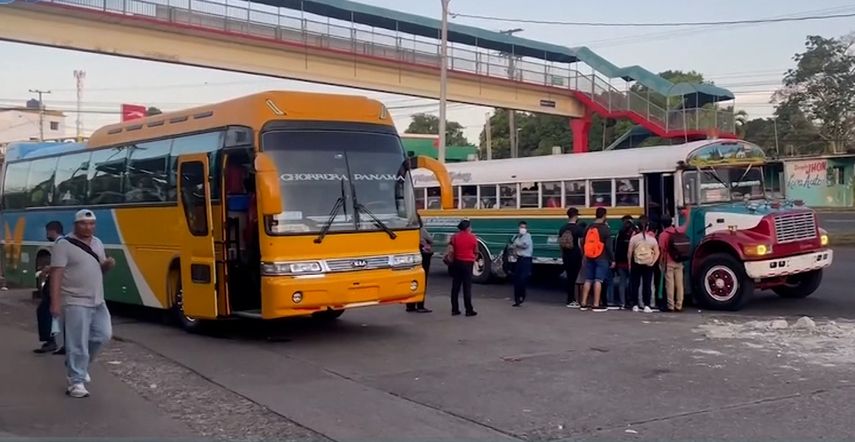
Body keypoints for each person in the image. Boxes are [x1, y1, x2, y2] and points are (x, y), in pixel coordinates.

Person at [49, 209, 116, 398]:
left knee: (103, 335)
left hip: (97, 299)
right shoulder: (63, 245)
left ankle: (79, 365)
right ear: (75, 225)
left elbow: (98, 270)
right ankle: (76, 381)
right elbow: (56, 274)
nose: (88, 227)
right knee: (77, 342)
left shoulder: (98, 243)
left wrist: (107, 266)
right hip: (74, 300)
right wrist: (55, 303)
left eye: (91, 224)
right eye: (84, 224)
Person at [34, 221, 64, 355]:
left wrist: (47, 270)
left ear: (52, 231)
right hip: (60, 282)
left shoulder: (60, 244)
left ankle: (50, 340)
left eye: (48, 232)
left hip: (55, 282)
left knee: (44, 310)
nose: (47, 234)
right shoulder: (65, 243)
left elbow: (59, 265)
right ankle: (62, 342)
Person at [580, 208, 613, 312]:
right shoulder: (605, 229)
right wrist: (612, 259)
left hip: (589, 256)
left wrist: (585, 253)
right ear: (604, 216)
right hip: (602, 257)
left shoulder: (589, 227)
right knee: (598, 280)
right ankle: (596, 304)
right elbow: (609, 247)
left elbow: (583, 242)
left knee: (588, 279)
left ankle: (583, 303)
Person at [659, 211, 690, 312]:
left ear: (662, 224)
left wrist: (661, 263)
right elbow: (686, 225)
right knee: (679, 284)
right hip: (679, 261)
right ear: (671, 222)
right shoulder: (678, 230)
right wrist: (687, 214)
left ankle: (670, 305)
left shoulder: (663, 235)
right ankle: (679, 304)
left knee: (670, 285)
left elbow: (662, 250)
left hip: (669, 262)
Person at [628, 218, 660, 313]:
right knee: (647, 284)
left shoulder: (634, 238)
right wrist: (653, 262)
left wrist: (630, 263)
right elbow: (657, 252)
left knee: (635, 284)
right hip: (648, 264)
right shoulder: (652, 239)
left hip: (636, 263)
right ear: (647, 227)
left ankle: (635, 305)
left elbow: (630, 252)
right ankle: (647, 305)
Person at [447, 220, 477, 317]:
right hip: (468, 263)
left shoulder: (454, 237)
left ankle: (455, 309)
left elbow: (451, 250)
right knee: (467, 287)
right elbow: (476, 251)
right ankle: (469, 310)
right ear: (467, 227)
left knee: (455, 286)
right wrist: (473, 258)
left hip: (457, 262)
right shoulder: (473, 237)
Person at [407, 219, 434, 313]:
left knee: (411, 281)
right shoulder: (421, 230)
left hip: (410, 257)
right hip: (422, 256)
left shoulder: (407, 230)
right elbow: (431, 239)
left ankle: (410, 305)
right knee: (422, 280)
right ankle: (420, 305)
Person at [559, 208, 583, 308]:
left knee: (569, 278)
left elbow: (560, 243)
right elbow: (580, 243)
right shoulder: (578, 229)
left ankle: (570, 298)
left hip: (566, 255)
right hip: (576, 255)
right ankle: (573, 299)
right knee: (576, 278)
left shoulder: (563, 228)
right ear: (575, 216)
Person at [612, 215, 635, 310]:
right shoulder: (634, 235)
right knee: (632, 282)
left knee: (622, 282)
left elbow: (615, 248)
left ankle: (622, 302)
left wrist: (615, 261)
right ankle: (631, 301)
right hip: (631, 262)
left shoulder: (619, 234)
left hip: (621, 262)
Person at [510, 221, 533, 307]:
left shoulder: (527, 236)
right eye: (521, 227)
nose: (522, 229)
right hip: (519, 259)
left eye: (524, 227)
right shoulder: (517, 236)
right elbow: (512, 245)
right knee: (517, 279)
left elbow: (525, 245)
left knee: (523, 278)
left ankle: (522, 295)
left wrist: (516, 244)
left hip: (526, 259)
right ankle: (517, 299)